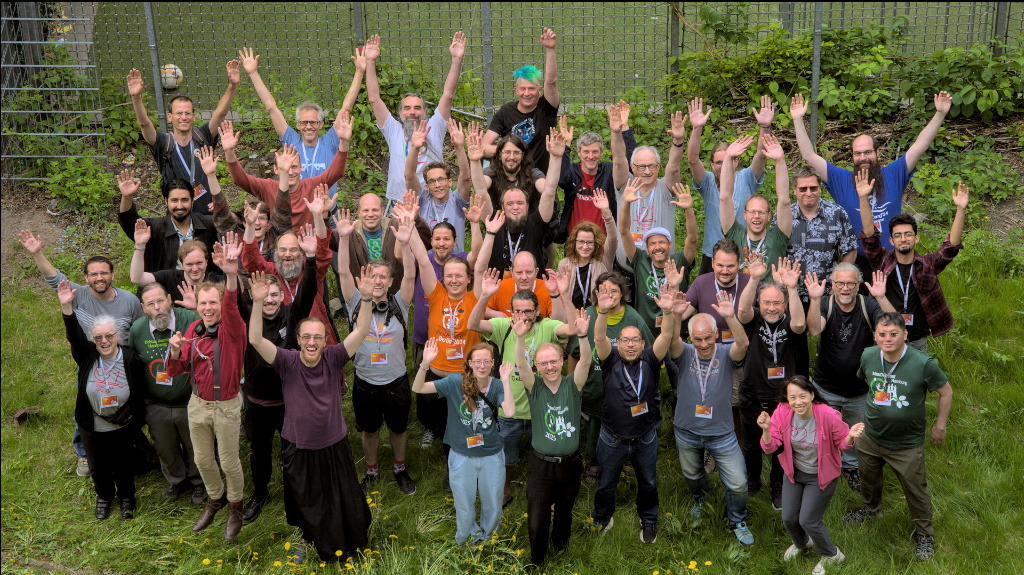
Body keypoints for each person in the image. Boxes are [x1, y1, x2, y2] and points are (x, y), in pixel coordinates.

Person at [247, 269, 376, 563]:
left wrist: (366, 299)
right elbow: (255, 339)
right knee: (306, 499)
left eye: (318, 337)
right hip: (299, 446)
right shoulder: (287, 361)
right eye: (306, 336)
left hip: (334, 443)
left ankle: (350, 544)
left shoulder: (334, 357)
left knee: (342, 497)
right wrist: (256, 303)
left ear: (325, 340)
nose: (312, 342)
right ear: (298, 339)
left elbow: (361, 331)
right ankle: (307, 538)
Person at [19, 231, 144, 477]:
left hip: (121, 361)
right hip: (89, 362)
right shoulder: (78, 296)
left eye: (104, 273)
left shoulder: (129, 300)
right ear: (86, 277)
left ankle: (131, 447)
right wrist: (37, 253)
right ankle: (85, 454)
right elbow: (54, 279)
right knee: (86, 406)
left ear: (112, 275)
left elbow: (139, 332)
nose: (100, 278)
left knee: (128, 404)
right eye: (94, 274)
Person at [790, 91, 952, 267]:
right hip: (857, 263)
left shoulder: (893, 174)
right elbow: (808, 155)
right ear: (852, 156)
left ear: (877, 153)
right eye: (857, 154)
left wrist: (940, 113)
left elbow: (920, 146)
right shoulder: (841, 180)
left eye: (867, 152)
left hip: (893, 259)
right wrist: (798, 120)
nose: (863, 158)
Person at [845, 313, 953, 561]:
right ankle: (871, 511)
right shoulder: (868, 355)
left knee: (916, 489)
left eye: (894, 334)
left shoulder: (923, 363)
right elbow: (867, 380)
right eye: (882, 334)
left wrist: (940, 426)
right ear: (875, 335)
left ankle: (925, 535)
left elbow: (946, 392)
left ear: (905, 335)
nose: (888, 339)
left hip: (905, 443)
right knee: (868, 479)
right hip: (870, 436)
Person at [468, 270, 577, 506]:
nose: (523, 316)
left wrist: (563, 294)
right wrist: (485, 295)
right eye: (517, 310)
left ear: (537, 311)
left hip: (542, 409)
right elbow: (473, 323)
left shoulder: (547, 326)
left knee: (548, 456)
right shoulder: (503, 326)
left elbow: (572, 330)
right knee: (507, 456)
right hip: (511, 409)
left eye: (528, 311)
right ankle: (505, 489)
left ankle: (549, 495)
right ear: (511, 311)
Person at [235, 231, 320, 524]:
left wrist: (310, 259)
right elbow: (234, 298)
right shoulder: (249, 315)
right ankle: (260, 493)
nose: (269, 300)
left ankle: (294, 494)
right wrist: (231, 269)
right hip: (257, 402)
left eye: (274, 294)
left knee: (292, 452)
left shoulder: (292, 315)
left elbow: (308, 293)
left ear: (281, 296)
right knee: (259, 454)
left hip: (288, 402)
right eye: (264, 295)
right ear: (255, 296)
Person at [165, 237, 246, 542]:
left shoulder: (233, 330)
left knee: (228, 461)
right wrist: (174, 351)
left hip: (225, 405)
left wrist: (230, 274)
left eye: (214, 303)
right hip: (198, 405)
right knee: (202, 460)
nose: (209, 308)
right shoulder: (193, 330)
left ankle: (235, 506)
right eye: (203, 304)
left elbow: (231, 305)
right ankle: (216, 498)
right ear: (196, 307)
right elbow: (176, 370)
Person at [337, 210, 418, 496]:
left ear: (390, 281)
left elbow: (410, 274)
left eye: (384, 276)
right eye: (374, 275)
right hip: (365, 381)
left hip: (396, 380)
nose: (379, 280)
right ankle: (371, 471)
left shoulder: (400, 304)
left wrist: (406, 244)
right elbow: (344, 272)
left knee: (398, 429)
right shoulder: (356, 302)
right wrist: (344, 239)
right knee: (369, 430)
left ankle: (399, 468)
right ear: (367, 277)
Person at [590, 284, 677, 543]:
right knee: (605, 483)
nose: (630, 345)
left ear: (642, 343)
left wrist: (668, 312)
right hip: (612, 438)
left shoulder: (651, 359)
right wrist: (603, 313)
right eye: (625, 340)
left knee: (648, 482)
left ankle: (648, 519)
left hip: (645, 438)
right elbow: (599, 338)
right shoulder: (610, 361)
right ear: (618, 344)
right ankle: (602, 517)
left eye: (635, 340)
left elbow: (666, 336)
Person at [666, 289, 753, 546]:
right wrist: (675, 315)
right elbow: (671, 340)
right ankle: (701, 499)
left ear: (716, 334)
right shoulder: (684, 353)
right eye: (697, 339)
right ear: (689, 337)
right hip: (686, 429)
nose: (703, 344)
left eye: (708, 338)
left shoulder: (726, 353)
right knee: (692, 474)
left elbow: (744, 345)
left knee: (738, 484)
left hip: (722, 432)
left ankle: (737, 519)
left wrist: (731, 316)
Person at [413, 340, 516, 545]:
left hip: (491, 455)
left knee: (494, 503)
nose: (482, 365)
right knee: (464, 503)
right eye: (477, 361)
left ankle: (489, 538)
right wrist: (425, 363)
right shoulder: (454, 382)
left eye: (487, 361)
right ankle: (467, 539)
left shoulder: (496, 385)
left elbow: (510, 411)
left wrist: (505, 380)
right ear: (469, 363)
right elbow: (418, 388)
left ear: (493, 363)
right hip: (461, 454)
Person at [757, 376, 864, 574]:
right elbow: (771, 448)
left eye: (803, 396)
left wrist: (850, 435)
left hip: (820, 476)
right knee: (788, 517)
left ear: (812, 395)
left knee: (808, 520)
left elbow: (842, 442)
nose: (798, 402)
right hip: (794, 473)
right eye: (792, 397)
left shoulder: (828, 415)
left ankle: (832, 554)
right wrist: (766, 430)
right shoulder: (782, 412)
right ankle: (803, 543)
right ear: (787, 399)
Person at [59, 281, 146, 520]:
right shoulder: (87, 355)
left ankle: (127, 497)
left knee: (123, 464)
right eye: (98, 337)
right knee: (98, 466)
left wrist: (129, 414)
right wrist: (67, 309)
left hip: (123, 424)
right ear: (93, 338)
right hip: (93, 425)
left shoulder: (130, 358)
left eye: (109, 335)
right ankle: (105, 497)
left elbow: (140, 391)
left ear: (118, 335)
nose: (104, 341)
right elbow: (74, 337)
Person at [806, 264, 895, 491]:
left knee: (856, 433)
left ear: (858, 285)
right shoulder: (825, 304)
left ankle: (851, 468)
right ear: (833, 285)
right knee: (823, 432)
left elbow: (895, 327)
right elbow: (815, 330)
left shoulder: (868, 304)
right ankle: (824, 467)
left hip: (859, 390)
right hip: (825, 387)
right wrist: (815, 300)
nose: (845, 288)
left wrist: (882, 297)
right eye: (840, 283)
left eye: (850, 283)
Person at [237, 46, 364, 205]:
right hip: (296, 214)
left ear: (321, 124)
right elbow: (271, 108)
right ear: (297, 124)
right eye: (304, 122)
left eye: (313, 122)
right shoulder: (291, 141)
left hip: (326, 214)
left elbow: (346, 108)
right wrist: (253, 73)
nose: (309, 126)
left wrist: (359, 72)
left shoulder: (331, 142)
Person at [514, 309, 591, 568]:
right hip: (541, 464)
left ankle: (561, 546)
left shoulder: (573, 385)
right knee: (537, 516)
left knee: (565, 509)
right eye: (543, 363)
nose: (549, 367)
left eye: (553, 361)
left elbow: (586, 363)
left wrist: (582, 335)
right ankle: (536, 560)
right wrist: (520, 338)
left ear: (561, 360)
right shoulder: (534, 387)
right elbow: (521, 365)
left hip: (570, 463)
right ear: (538, 366)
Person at [858, 172, 967, 353]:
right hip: (885, 335)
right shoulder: (883, 261)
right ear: (891, 241)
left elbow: (950, 247)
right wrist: (863, 198)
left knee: (915, 379)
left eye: (908, 234)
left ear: (916, 238)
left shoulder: (927, 265)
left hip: (917, 338)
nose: (903, 239)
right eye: (898, 235)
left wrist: (961, 209)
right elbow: (870, 237)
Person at [565, 272, 654, 485]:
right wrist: (570, 385)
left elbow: (648, 351)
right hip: (593, 387)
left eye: (614, 290)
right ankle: (594, 460)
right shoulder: (587, 314)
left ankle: (622, 460)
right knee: (595, 425)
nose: (610, 295)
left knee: (624, 424)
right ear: (596, 293)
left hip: (625, 391)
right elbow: (573, 352)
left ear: (622, 293)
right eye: (604, 291)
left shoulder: (633, 317)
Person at [407, 221, 484, 463]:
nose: (453, 280)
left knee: (463, 422)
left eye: (459, 275)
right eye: (449, 275)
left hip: (464, 376)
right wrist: (409, 225)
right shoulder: (436, 293)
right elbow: (422, 259)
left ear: (468, 278)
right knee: (436, 416)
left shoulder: (474, 297)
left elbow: (481, 263)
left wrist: (485, 229)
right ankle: (438, 438)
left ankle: (460, 462)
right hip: (436, 374)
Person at [735, 257, 808, 510]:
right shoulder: (753, 318)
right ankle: (752, 480)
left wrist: (790, 287)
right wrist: (754, 278)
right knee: (752, 444)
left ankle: (778, 485)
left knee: (782, 446)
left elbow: (800, 325)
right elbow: (741, 312)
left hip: (783, 399)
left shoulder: (790, 319)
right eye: (766, 302)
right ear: (759, 303)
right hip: (752, 395)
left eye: (777, 303)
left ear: (785, 305)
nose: (772, 308)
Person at [364, 32, 466, 204]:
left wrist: (456, 59)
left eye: (418, 108)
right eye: (407, 108)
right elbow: (374, 99)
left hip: (434, 200)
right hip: (401, 202)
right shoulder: (393, 129)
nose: (412, 112)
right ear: (400, 113)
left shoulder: (435, 127)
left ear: (425, 113)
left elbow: (448, 95)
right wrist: (370, 61)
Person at [127, 283, 205, 506]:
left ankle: (199, 482)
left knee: (195, 445)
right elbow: (134, 366)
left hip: (190, 400)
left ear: (170, 299)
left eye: (160, 300)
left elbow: (214, 334)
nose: (158, 307)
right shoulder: (138, 330)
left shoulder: (189, 320)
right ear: (143, 308)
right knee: (165, 446)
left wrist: (198, 311)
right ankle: (176, 480)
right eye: (150, 304)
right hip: (156, 404)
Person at [126, 62, 239, 214]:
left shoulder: (203, 136)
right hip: (177, 217)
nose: (183, 117)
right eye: (179, 113)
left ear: (193, 116)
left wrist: (232, 86)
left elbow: (221, 112)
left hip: (208, 214)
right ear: (170, 116)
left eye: (187, 113)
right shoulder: (163, 143)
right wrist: (136, 97)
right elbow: (144, 124)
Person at [688, 96, 772, 274]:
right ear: (712, 165)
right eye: (719, 162)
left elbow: (761, 154)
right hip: (712, 253)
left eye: (729, 159)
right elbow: (693, 160)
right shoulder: (708, 182)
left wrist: (764, 126)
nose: (723, 165)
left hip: (743, 251)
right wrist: (697, 128)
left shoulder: (747, 177)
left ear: (736, 161)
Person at [243, 186, 337, 344]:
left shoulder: (311, 272)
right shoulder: (271, 274)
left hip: (317, 340)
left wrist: (318, 216)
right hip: (285, 343)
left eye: (293, 250)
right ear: (276, 253)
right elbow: (252, 261)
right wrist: (251, 225)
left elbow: (321, 251)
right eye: (283, 250)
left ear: (301, 253)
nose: (288, 254)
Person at [223, 116, 351, 232]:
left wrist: (344, 143)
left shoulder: (312, 185)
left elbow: (336, 172)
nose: (289, 172)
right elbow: (240, 180)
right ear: (275, 169)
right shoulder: (267, 187)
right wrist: (229, 151)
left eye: (294, 167)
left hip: (306, 245)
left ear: (301, 168)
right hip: (276, 246)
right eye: (284, 168)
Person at [619, 179, 698, 336]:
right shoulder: (640, 259)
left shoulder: (680, 261)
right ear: (647, 248)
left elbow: (692, 238)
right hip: (646, 332)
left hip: (676, 331)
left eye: (661, 242)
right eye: (652, 244)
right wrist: (626, 203)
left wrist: (689, 209)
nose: (657, 247)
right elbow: (624, 231)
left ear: (669, 245)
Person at [477, 132, 562, 275]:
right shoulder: (491, 172)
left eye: (516, 152)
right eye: (507, 152)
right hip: (499, 225)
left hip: (529, 225)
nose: (511, 157)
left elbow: (548, 190)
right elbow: (480, 188)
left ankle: (547, 270)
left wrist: (555, 157)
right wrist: (474, 161)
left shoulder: (532, 173)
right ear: (499, 155)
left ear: (523, 155)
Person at [613, 111, 687, 270]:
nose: (647, 171)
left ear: (659, 166)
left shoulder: (666, 188)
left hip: (660, 269)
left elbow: (673, 166)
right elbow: (619, 160)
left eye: (651, 166)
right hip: (625, 270)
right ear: (632, 167)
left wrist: (678, 140)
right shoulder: (626, 185)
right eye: (641, 167)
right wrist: (615, 133)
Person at [553, 102, 635, 243]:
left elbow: (632, 164)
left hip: (603, 242)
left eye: (595, 151)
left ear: (602, 152)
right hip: (575, 243)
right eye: (586, 152)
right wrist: (566, 146)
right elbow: (560, 180)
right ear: (578, 152)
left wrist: (625, 129)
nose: (590, 156)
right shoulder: (572, 171)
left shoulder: (608, 171)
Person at [482, 28, 559, 171]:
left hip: (541, 178)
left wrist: (550, 49)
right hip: (511, 180)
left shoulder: (546, 108)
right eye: (522, 89)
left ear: (540, 90)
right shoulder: (506, 112)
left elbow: (551, 82)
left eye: (531, 88)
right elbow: (484, 147)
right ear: (516, 91)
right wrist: (509, 151)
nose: (527, 93)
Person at [719, 134, 793, 283]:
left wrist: (780, 161)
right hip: (741, 296)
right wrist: (727, 158)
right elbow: (725, 197)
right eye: (752, 212)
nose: (757, 216)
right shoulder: (735, 234)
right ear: (744, 215)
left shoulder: (778, 237)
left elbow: (784, 200)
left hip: (769, 299)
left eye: (761, 212)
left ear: (769, 216)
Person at [117, 170, 218, 275]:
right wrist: (127, 197)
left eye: (184, 200)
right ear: (166, 201)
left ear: (192, 201)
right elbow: (128, 221)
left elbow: (230, 223)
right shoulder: (155, 229)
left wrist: (222, 210)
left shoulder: (209, 225)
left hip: (204, 287)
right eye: (174, 200)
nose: (179, 206)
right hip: (164, 288)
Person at [786, 166, 857, 303]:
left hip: (828, 295)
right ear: (794, 190)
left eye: (813, 188)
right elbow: (775, 252)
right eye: (803, 189)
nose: (808, 193)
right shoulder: (784, 216)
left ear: (820, 188)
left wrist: (837, 286)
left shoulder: (836, 213)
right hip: (792, 294)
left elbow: (850, 251)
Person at [346, 191, 432, 297]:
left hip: (395, 297)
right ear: (359, 212)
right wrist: (323, 216)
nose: (371, 214)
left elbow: (427, 241)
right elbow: (324, 241)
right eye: (366, 210)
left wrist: (414, 220)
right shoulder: (348, 231)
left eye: (375, 210)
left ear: (382, 211)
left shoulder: (397, 226)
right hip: (361, 296)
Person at [405, 119, 474, 248]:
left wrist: (459, 147)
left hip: (454, 263)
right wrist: (414, 148)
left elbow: (465, 178)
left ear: (450, 182)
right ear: (427, 186)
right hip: (428, 263)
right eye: (432, 181)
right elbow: (409, 176)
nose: (437, 185)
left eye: (441, 179)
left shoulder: (457, 201)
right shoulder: (423, 201)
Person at [130, 224, 221, 308]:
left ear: (206, 262)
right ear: (182, 265)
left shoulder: (217, 281)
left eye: (199, 263)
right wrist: (140, 245)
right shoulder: (170, 277)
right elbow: (137, 278)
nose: (195, 268)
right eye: (189, 264)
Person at [556, 187, 618, 311]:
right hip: (572, 317)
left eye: (590, 242)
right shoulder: (564, 264)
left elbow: (613, 238)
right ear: (574, 242)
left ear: (596, 243)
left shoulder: (603, 259)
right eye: (581, 242)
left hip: (598, 316)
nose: (585, 246)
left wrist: (606, 212)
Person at [481, 251, 553, 319]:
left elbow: (560, 321)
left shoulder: (548, 289)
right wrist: (493, 314)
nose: (524, 277)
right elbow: (481, 310)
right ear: (512, 272)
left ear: (536, 271)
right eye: (519, 272)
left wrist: (554, 294)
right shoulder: (500, 287)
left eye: (529, 272)